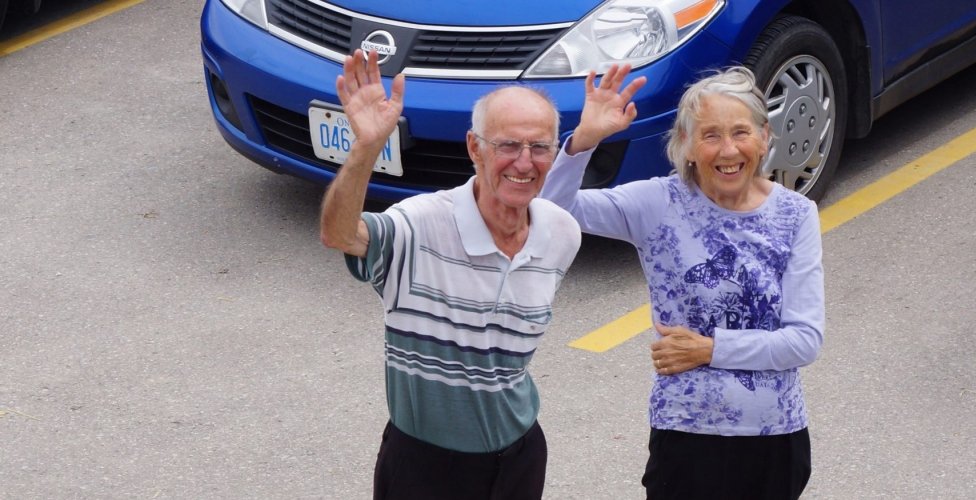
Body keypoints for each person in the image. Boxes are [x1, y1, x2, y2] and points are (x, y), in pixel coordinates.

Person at [319, 48, 613, 499]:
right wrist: (365, 150)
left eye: (539, 147)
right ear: (474, 147)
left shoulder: (561, 233)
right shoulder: (420, 222)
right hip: (425, 466)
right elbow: (341, 234)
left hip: (520, 456)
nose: (524, 161)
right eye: (508, 145)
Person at [541, 66, 825, 499]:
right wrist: (583, 142)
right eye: (710, 135)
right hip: (687, 432)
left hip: (775, 435)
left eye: (740, 132)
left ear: (764, 137)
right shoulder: (657, 203)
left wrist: (709, 350)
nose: (728, 150)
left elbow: (803, 341)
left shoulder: (795, 215)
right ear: (687, 146)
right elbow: (550, 211)